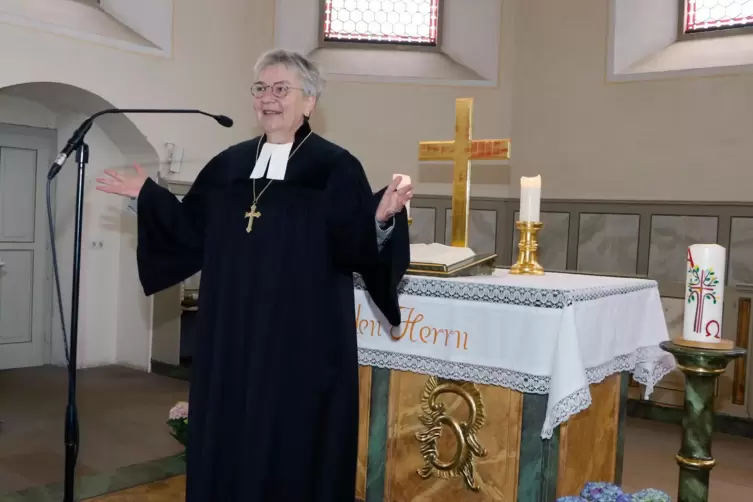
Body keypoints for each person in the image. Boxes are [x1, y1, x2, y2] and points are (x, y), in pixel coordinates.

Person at [96, 49, 413, 501]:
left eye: (281, 89)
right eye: (261, 88)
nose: (269, 98)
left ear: (309, 103)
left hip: (301, 345)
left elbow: (354, 246)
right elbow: (191, 230)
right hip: (233, 340)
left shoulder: (334, 167)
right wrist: (147, 197)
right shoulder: (230, 164)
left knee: (293, 442)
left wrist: (379, 220)